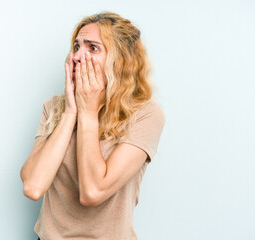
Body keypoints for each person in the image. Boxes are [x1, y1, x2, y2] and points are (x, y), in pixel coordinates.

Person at [20, 11, 166, 240]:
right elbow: (33, 186)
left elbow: (92, 192)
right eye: (76, 47)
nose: (78, 56)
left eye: (93, 48)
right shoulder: (54, 107)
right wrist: (71, 112)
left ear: (120, 62)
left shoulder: (146, 115)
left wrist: (88, 112)